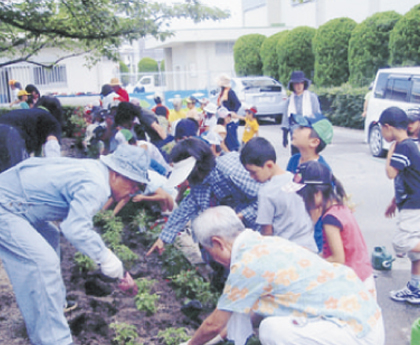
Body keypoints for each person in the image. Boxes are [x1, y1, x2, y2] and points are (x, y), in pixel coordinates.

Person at [0, 144, 144, 345]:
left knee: (49, 235)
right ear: (116, 175)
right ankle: (54, 339)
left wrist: (120, 273)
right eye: (133, 184)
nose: (133, 191)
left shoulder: (94, 170)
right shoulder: (98, 185)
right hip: (6, 206)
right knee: (43, 262)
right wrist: (107, 258)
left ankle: (54, 309)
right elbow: (75, 228)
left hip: (16, 200)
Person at [182, 206, 384, 345]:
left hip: (356, 333)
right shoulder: (265, 244)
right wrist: (228, 329)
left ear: (218, 243)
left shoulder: (247, 264)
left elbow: (214, 324)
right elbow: (255, 309)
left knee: (272, 330)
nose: (213, 258)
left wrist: (191, 343)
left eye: (209, 251)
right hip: (367, 319)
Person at [146, 138, 261, 256]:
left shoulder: (229, 170)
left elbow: (265, 199)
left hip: (260, 227)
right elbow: (185, 208)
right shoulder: (200, 182)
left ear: (197, 166)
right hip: (236, 230)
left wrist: (239, 216)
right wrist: (163, 239)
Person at [293, 160, 376, 298]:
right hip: (364, 277)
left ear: (317, 193)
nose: (304, 202)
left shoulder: (330, 220)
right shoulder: (340, 208)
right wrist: (313, 256)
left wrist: (312, 264)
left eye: (304, 197)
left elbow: (338, 259)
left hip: (355, 286)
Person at [239, 137, 317, 251]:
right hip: (309, 248)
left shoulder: (266, 192)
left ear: (269, 165)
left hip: (286, 252)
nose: (251, 177)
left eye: (253, 172)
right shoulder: (297, 179)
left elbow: (267, 233)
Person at [378, 107, 420, 304]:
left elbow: (391, 173)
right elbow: (410, 178)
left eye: (381, 130)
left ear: (388, 127)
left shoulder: (403, 146)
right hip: (409, 202)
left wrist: (390, 151)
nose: (381, 134)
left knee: (402, 243)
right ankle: (415, 287)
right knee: (414, 252)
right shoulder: (408, 146)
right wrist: (394, 202)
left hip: (414, 205)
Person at [286, 114, 333, 252]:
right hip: (293, 227)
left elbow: (323, 206)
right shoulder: (294, 160)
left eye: (301, 128)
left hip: (312, 236)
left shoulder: (322, 170)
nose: (294, 130)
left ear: (314, 142)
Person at [0, 107, 62, 172]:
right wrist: (54, 169)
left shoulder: (31, 115)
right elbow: (52, 145)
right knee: (16, 173)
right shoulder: (51, 121)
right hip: (10, 134)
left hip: (3, 127)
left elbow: (36, 154)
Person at [281, 71, 321, 154]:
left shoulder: (312, 98)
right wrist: (285, 137)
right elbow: (286, 120)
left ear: (304, 84)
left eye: (301, 83)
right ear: (293, 85)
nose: (299, 86)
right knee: (296, 161)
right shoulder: (289, 101)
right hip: (295, 136)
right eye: (296, 83)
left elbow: (317, 116)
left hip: (309, 134)